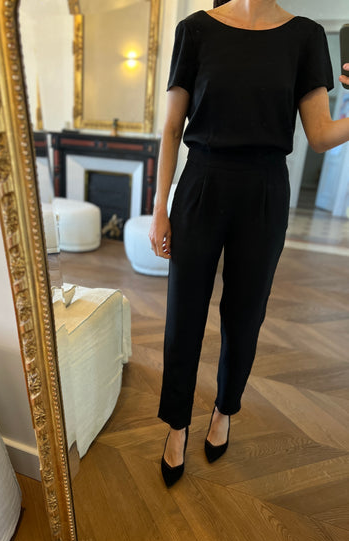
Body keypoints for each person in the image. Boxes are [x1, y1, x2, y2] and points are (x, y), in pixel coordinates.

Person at [149, 0, 349, 487]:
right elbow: (172, 127)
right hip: (201, 183)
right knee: (183, 314)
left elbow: (321, 135)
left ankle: (225, 410)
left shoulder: (305, 36)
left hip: (265, 190)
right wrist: (159, 206)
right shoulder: (195, 30)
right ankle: (177, 424)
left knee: (245, 315)